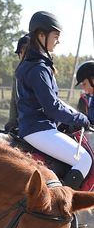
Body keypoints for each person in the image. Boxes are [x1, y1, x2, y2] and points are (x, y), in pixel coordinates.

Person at [16, 11, 91, 189]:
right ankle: (62, 202)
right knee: (84, 160)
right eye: (56, 36)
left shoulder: (33, 64)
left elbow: (53, 101)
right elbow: (52, 107)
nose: (58, 41)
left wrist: (73, 115)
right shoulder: (38, 69)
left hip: (35, 126)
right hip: (39, 129)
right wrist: (81, 118)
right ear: (41, 35)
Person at [5, 35, 29, 133]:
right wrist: (12, 121)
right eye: (20, 53)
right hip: (22, 122)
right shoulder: (18, 72)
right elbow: (14, 99)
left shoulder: (39, 70)